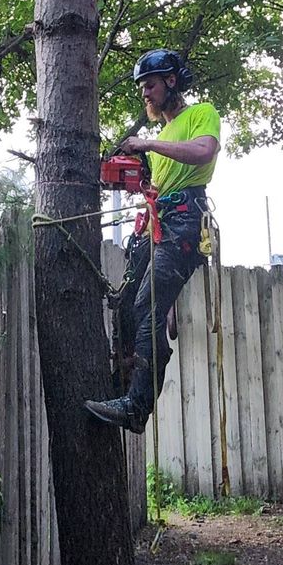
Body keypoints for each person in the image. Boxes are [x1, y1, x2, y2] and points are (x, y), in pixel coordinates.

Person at [84, 48, 221, 434]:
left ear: (172, 82)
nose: (145, 94)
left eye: (151, 86)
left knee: (147, 304)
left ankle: (136, 408)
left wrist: (147, 145)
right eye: (142, 87)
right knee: (128, 302)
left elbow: (203, 151)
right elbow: (156, 186)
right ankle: (122, 386)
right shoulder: (162, 136)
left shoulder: (200, 115)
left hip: (184, 222)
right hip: (156, 226)